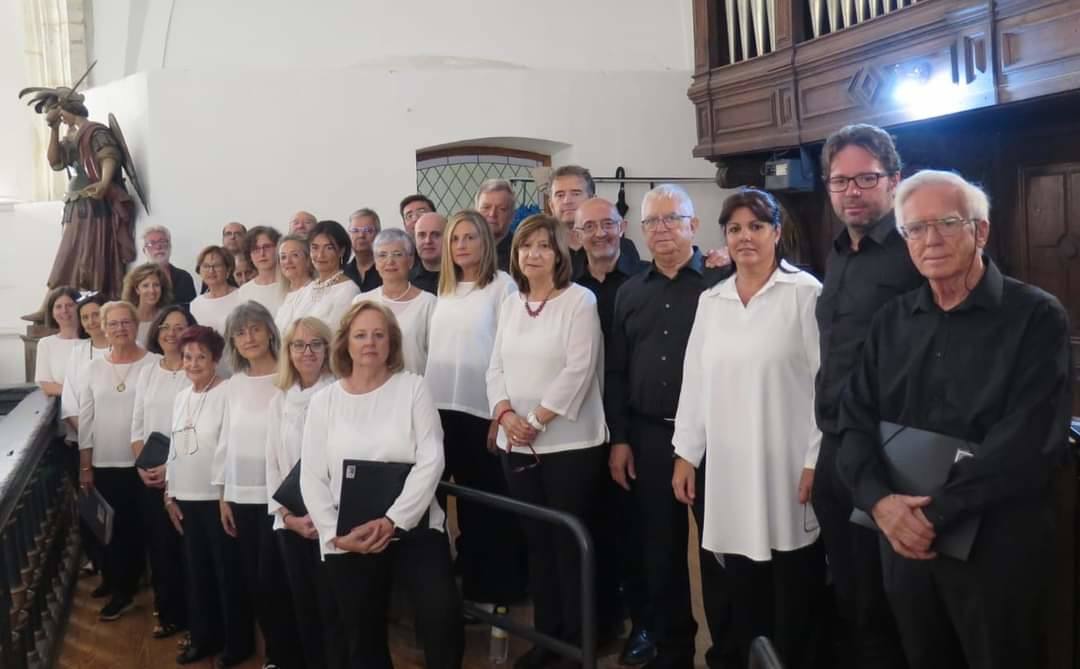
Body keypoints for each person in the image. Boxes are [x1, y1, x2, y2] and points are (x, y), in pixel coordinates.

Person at [838, 170, 1071, 669]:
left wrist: (933, 515)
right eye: (915, 229)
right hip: (904, 544)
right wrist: (879, 503)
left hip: (996, 547)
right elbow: (852, 420)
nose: (931, 240)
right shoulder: (891, 321)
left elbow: (1029, 441)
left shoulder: (1036, 316)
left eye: (946, 223)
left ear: (980, 231)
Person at [672, 188, 826, 667]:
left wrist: (814, 460)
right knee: (741, 580)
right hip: (730, 467)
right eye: (735, 229)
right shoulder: (712, 301)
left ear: (777, 232)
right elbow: (695, 381)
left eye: (756, 227)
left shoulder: (804, 293)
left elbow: (825, 385)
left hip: (787, 465)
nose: (745, 237)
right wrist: (686, 454)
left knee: (793, 582)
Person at [301, 301, 463, 669]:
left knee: (442, 620)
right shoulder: (324, 402)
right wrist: (334, 534)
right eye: (360, 335)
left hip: (414, 527)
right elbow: (311, 475)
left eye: (379, 335)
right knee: (363, 639)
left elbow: (432, 460)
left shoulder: (414, 388)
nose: (370, 343)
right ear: (346, 343)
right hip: (350, 534)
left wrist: (394, 520)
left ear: (392, 342)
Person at [606, 184, 729, 669]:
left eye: (671, 219)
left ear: (693, 225)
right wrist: (620, 439)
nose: (661, 229)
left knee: (716, 551)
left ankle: (727, 653)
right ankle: (674, 650)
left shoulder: (721, 282)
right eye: (652, 221)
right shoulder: (631, 291)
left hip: (713, 438)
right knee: (660, 552)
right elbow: (617, 371)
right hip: (651, 436)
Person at [812, 124, 922, 669]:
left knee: (893, 600)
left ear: (894, 180)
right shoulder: (837, 253)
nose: (851, 191)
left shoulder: (913, 252)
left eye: (865, 179)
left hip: (891, 448)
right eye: (840, 181)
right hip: (836, 443)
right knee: (851, 593)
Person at [487, 214, 607, 668]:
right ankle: (548, 637)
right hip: (516, 443)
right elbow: (494, 367)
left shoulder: (580, 301)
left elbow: (579, 369)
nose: (533, 254)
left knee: (567, 545)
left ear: (559, 254)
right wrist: (505, 415)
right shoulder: (510, 303)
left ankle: (577, 642)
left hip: (569, 445)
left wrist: (535, 420)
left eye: (543, 245)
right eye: (525, 246)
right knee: (536, 543)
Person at [426, 210, 529, 610]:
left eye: (470, 237)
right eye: (455, 238)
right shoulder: (446, 289)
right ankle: (451, 590)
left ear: (485, 241)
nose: (462, 245)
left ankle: (492, 595)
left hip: (480, 411)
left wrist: (498, 413)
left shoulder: (502, 286)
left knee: (482, 507)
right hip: (440, 409)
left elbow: (507, 353)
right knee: (439, 503)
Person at [571, 198, 652, 664]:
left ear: (622, 228)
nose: (600, 233)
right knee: (591, 527)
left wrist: (622, 434)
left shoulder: (642, 282)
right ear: (576, 235)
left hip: (631, 427)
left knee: (636, 533)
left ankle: (645, 624)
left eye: (608, 224)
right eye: (590, 227)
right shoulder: (568, 287)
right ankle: (600, 622)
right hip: (579, 427)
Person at [213, 302, 302, 669]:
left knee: (279, 580)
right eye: (240, 332)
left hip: (281, 498)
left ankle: (292, 656)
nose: (248, 338)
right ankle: (275, 656)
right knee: (255, 581)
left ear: (269, 331)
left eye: (254, 329)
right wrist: (223, 495)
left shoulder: (289, 378)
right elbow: (225, 442)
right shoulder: (233, 385)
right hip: (241, 494)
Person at [265, 317, 344, 669]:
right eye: (298, 344)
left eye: (315, 344)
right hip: (293, 521)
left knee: (333, 609)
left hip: (332, 520)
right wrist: (287, 517)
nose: (307, 352)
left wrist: (323, 516)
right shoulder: (280, 399)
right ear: (288, 351)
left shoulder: (340, 393)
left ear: (328, 348)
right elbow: (271, 463)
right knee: (304, 607)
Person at [77, 300, 159, 620]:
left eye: (126, 322)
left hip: (142, 462)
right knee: (108, 529)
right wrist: (85, 466)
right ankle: (114, 580)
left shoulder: (154, 363)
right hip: (104, 461)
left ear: (136, 326)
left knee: (135, 528)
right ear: (104, 328)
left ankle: (125, 591)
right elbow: (86, 420)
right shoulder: (93, 368)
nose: (120, 328)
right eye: (113, 323)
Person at [20, 86, 136, 307]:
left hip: (93, 204)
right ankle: (54, 304)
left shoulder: (94, 131)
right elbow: (55, 162)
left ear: (66, 107)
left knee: (83, 254)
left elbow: (108, 155)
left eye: (57, 111)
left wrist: (104, 182)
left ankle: (61, 303)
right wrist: (53, 130)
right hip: (77, 203)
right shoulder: (72, 136)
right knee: (72, 254)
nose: (58, 116)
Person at [165, 326, 239, 666]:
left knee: (226, 573)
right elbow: (174, 447)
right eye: (188, 357)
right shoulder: (182, 396)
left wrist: (224, 495)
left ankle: (236, 644)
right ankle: (204, 638)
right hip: (185, 496)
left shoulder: (227, 392)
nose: (193, 363)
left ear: (215, 359)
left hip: (216, 498)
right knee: (196, 574)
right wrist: (169, 494)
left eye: (201, 357)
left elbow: (228, 448)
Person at [131, 305, 193, 640]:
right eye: (166, 326)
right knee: (160, 549)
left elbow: (200, 430)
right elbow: (137, 426)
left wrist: (172, 469)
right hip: (150, 475)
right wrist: (143, 468)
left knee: (187, 550)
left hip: (187, 473)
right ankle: (168, 613)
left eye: (180, 327)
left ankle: (195, 619)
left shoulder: (197, 370)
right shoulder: (147, 372)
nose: (171, 333)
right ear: (157, 331)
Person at [354, 228, 436, 375]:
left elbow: (435, 355)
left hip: (415, 384)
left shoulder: (428, 303)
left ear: (410, 261)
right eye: (382, 255)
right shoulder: (361, 302)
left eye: (397, 254)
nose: (390, 261)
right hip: (372, 384)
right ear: (375, 262)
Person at [550, 166, 640, 268]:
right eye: (560, 195)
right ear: (551, 205)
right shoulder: (543, 251)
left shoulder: (622, 247)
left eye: (576, 193)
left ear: (592, 200)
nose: (567, 201)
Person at [287, 221, 360, 330]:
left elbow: (337, 333)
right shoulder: (306, 289)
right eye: (315, 248)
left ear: (341, 251)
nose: (320, 255)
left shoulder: (348, 290)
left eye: (328, 248)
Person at [35, 286, 82, 399]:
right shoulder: (46, 344)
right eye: (58, 307)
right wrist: (79, 394)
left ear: (80, 308)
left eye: (70, 305)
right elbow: (46, 385)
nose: (64, 310)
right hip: (63, 404)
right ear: (52, 312)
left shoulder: (93, 341)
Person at [189, 246, 244, 336]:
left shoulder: (242, 296)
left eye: (217, 266)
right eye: (206, 266)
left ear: (228, 270)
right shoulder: (195, 304)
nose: (211, 271)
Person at [122, 263, 173, 347]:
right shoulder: (126, 318)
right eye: (145, 286)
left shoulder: (167, 318)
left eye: (156, 285)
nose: (152, 290)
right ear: (137, 289)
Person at [237, 226, 286, 315]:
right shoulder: (243, 292)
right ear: (249, 255)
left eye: (267, 247)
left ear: (278, 248)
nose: (262, 253)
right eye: (256, 249)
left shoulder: (291, 284)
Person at [143, 225, 197, 306]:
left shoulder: (184, 277)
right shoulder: (136, 278)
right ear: (144, 251)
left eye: (162, 242)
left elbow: (192, 309)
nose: (158, 247)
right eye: (152, 243)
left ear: (170, 246)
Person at [274, 233, 316, 333]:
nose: (288, 262)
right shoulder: (282, 295)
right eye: (283, 257)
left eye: (294, 255)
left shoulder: (315, 291)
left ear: (308, 260)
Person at [476, 179, 516, 270]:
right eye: (486, 207)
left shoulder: (519, 253)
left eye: (502, 209)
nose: (492, 214)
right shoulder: (464, 250)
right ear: (476, 212)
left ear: (512, 215)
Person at [344, 208, 383, 292]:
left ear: (378, 234)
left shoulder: (388, 269)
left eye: (368, 230)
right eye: (355, 230)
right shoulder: (343, 273)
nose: (361, 235)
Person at [411, 212, 445, 294]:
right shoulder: (406, 282)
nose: (428, 241)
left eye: (435, 235)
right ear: (415, 240)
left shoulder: (464, 277)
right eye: (422, 235)